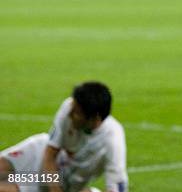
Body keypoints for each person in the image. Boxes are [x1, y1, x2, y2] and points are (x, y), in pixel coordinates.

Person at [0, 82, 128, 192]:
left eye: (77, 113)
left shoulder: (113, 140)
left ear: (95, 118)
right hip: (40, 155)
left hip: (61, 180)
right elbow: (50, 153)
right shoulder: (69, 107)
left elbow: (117, 184)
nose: (71, 114)